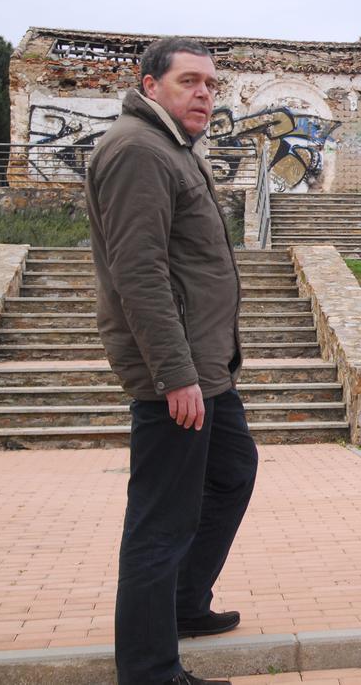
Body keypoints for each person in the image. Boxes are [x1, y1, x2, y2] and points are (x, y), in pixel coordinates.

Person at [86, 37, 257, 685]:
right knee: (161, 517)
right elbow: (140, 272)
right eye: (190, 81)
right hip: (179, 374)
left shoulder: (170, 148)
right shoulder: (137, 150)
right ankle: (150, 668)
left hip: (207, 368)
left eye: (211, 84)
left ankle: (185, 601)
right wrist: (174, 373)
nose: (205, 94)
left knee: (233, 470)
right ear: (150, 84)